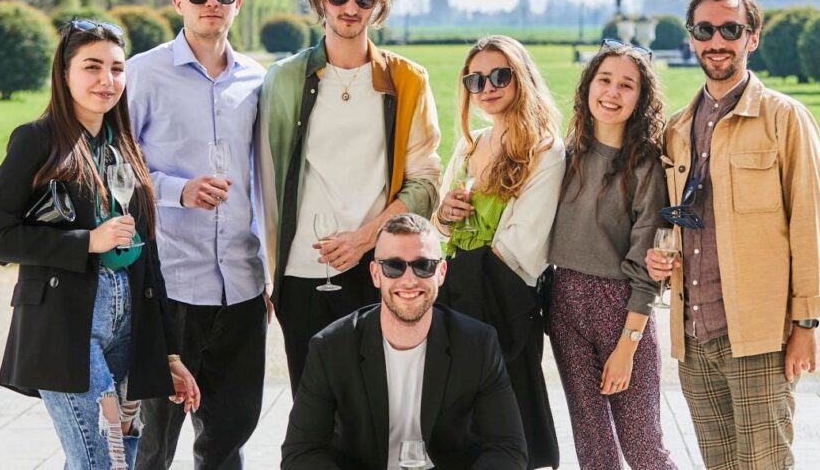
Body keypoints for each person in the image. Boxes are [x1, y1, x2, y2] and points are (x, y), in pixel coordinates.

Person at [0, 20, 199, 469]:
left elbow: (148, 253)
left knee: (118, 454)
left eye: (117, 69)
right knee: (103, 459)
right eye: (92, 67)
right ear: (64, 73)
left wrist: (167, 351)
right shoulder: (36, 140)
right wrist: (86, 242)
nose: (107, 80)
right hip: (66, 323)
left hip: (128, 326)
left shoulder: (124, 146)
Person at [645, 0, 820, 469]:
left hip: (757, 334)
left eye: (730, 29)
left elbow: (808, 226)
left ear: (752, 37)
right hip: (694, 337)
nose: (717, 40)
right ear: (692, 38)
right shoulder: (675, 129)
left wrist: (806, 325)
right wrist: (657, 255)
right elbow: (670, 218)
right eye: (705, 29)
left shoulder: (784, 119)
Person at [257, 0, 442, 395]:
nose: (351, 7)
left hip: (380, 270)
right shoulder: (282, 79)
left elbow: (426, 180)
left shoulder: (407, 80)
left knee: (379, 404)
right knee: (312, 406)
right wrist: (267, 273)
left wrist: (364, 240)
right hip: (301, 272)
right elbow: (262, 179)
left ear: (377, 7)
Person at [127, 0, 269, 469]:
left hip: (242, 286)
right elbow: (118, 164)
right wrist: (176, 190)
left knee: (228, 439)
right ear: (178, 1)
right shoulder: (143, 73)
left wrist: (268, 272)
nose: (212, 2)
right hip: (172, 285)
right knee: (155, 443)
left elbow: (263, 179)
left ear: (237, 2)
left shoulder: (257, 79)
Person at [281, 213, 528, 470]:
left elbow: (507, 449)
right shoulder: (331, 347)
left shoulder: (477, 343)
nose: (408, 280)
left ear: (441, 272)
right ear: (376, 274)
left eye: (423, 265)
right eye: (393, 266)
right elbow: (301, 453)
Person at [431, 35, 562, 469]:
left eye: (500, 75)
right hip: (455, 302)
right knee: (455, 432)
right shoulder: (472, 145)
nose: (487, 87)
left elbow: (522, 246)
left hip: (503, 304)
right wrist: (444, 216)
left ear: (521, 77)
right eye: (475, 79)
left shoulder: (544, 149)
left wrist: (454, 275)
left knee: (505, 433)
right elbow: (437, 231)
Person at [547, 40, 677, 469]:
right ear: (588, 87)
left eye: (627, 85)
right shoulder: (565, 156)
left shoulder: (646, 167)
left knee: (644, 449)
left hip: (621, 309)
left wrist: (628, 347)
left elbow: (646, 265)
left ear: (640, 99)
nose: (612, 92)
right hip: (564, 303)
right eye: (605, 80)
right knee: (593, 449)